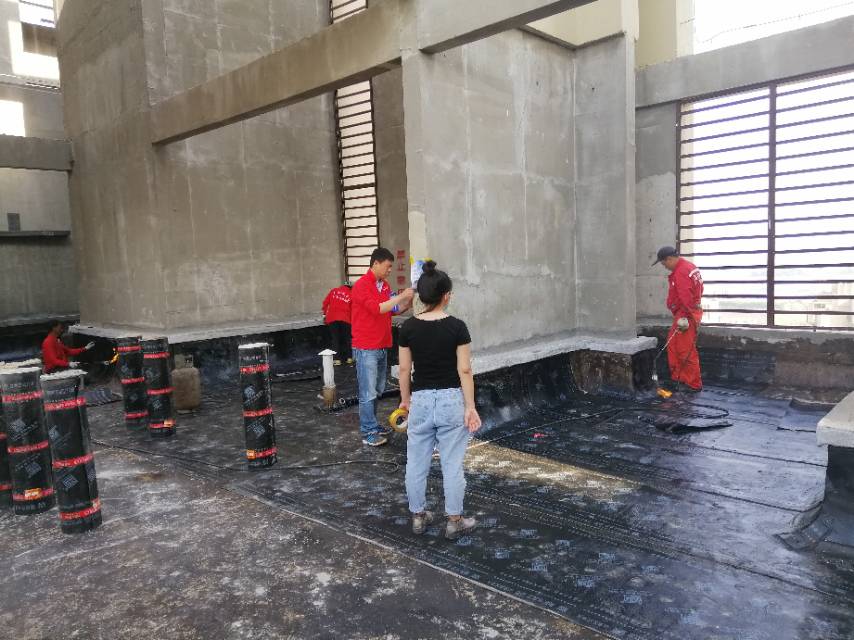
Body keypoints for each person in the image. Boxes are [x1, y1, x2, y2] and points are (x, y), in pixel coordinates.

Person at [398, 260, 482, 540]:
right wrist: (470, 406)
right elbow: (465, 370)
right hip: (450, 401)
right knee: (452, 464)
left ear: (422, 296)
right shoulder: (457, 327)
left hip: (421, 400)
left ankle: (418, 517)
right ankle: (454, 521)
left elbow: (404, 370)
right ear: (446, 296)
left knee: (415, 463)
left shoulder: (408, 327)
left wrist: (405, 400)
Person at [351, 248, 414, 447]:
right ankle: (368, 431)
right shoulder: (361, 286)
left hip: (381, 345)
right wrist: (402, 295)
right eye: (388, 266)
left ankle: (373, 425)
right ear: (376, 263)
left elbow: (392, 309)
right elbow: (378, 308)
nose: (390, 270)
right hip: (366, 347)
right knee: (368, 392)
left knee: (377, 389)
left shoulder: (384, 286)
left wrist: (408, 302)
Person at [653, 246, 704, 392]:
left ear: (669, 259)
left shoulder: (681, 271)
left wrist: (686, 317)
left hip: (686, 314)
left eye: (664, 263)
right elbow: (700, 289)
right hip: (686, 313)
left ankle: (693, 384)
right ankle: (679, 378)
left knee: (685, 349)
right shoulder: (689, 267)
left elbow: (686, 296)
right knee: (674, 345)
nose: (664, 267)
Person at [322, 282, 353, 365]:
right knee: (347, 338)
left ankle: (337, 359)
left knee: (335, 338)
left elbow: (325, 303)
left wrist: (324, 314)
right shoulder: (351, 294)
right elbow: (353, 308)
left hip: (332, 318)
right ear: (350, 288)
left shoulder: (334, 291)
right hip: (346, 319)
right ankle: (349, 358)